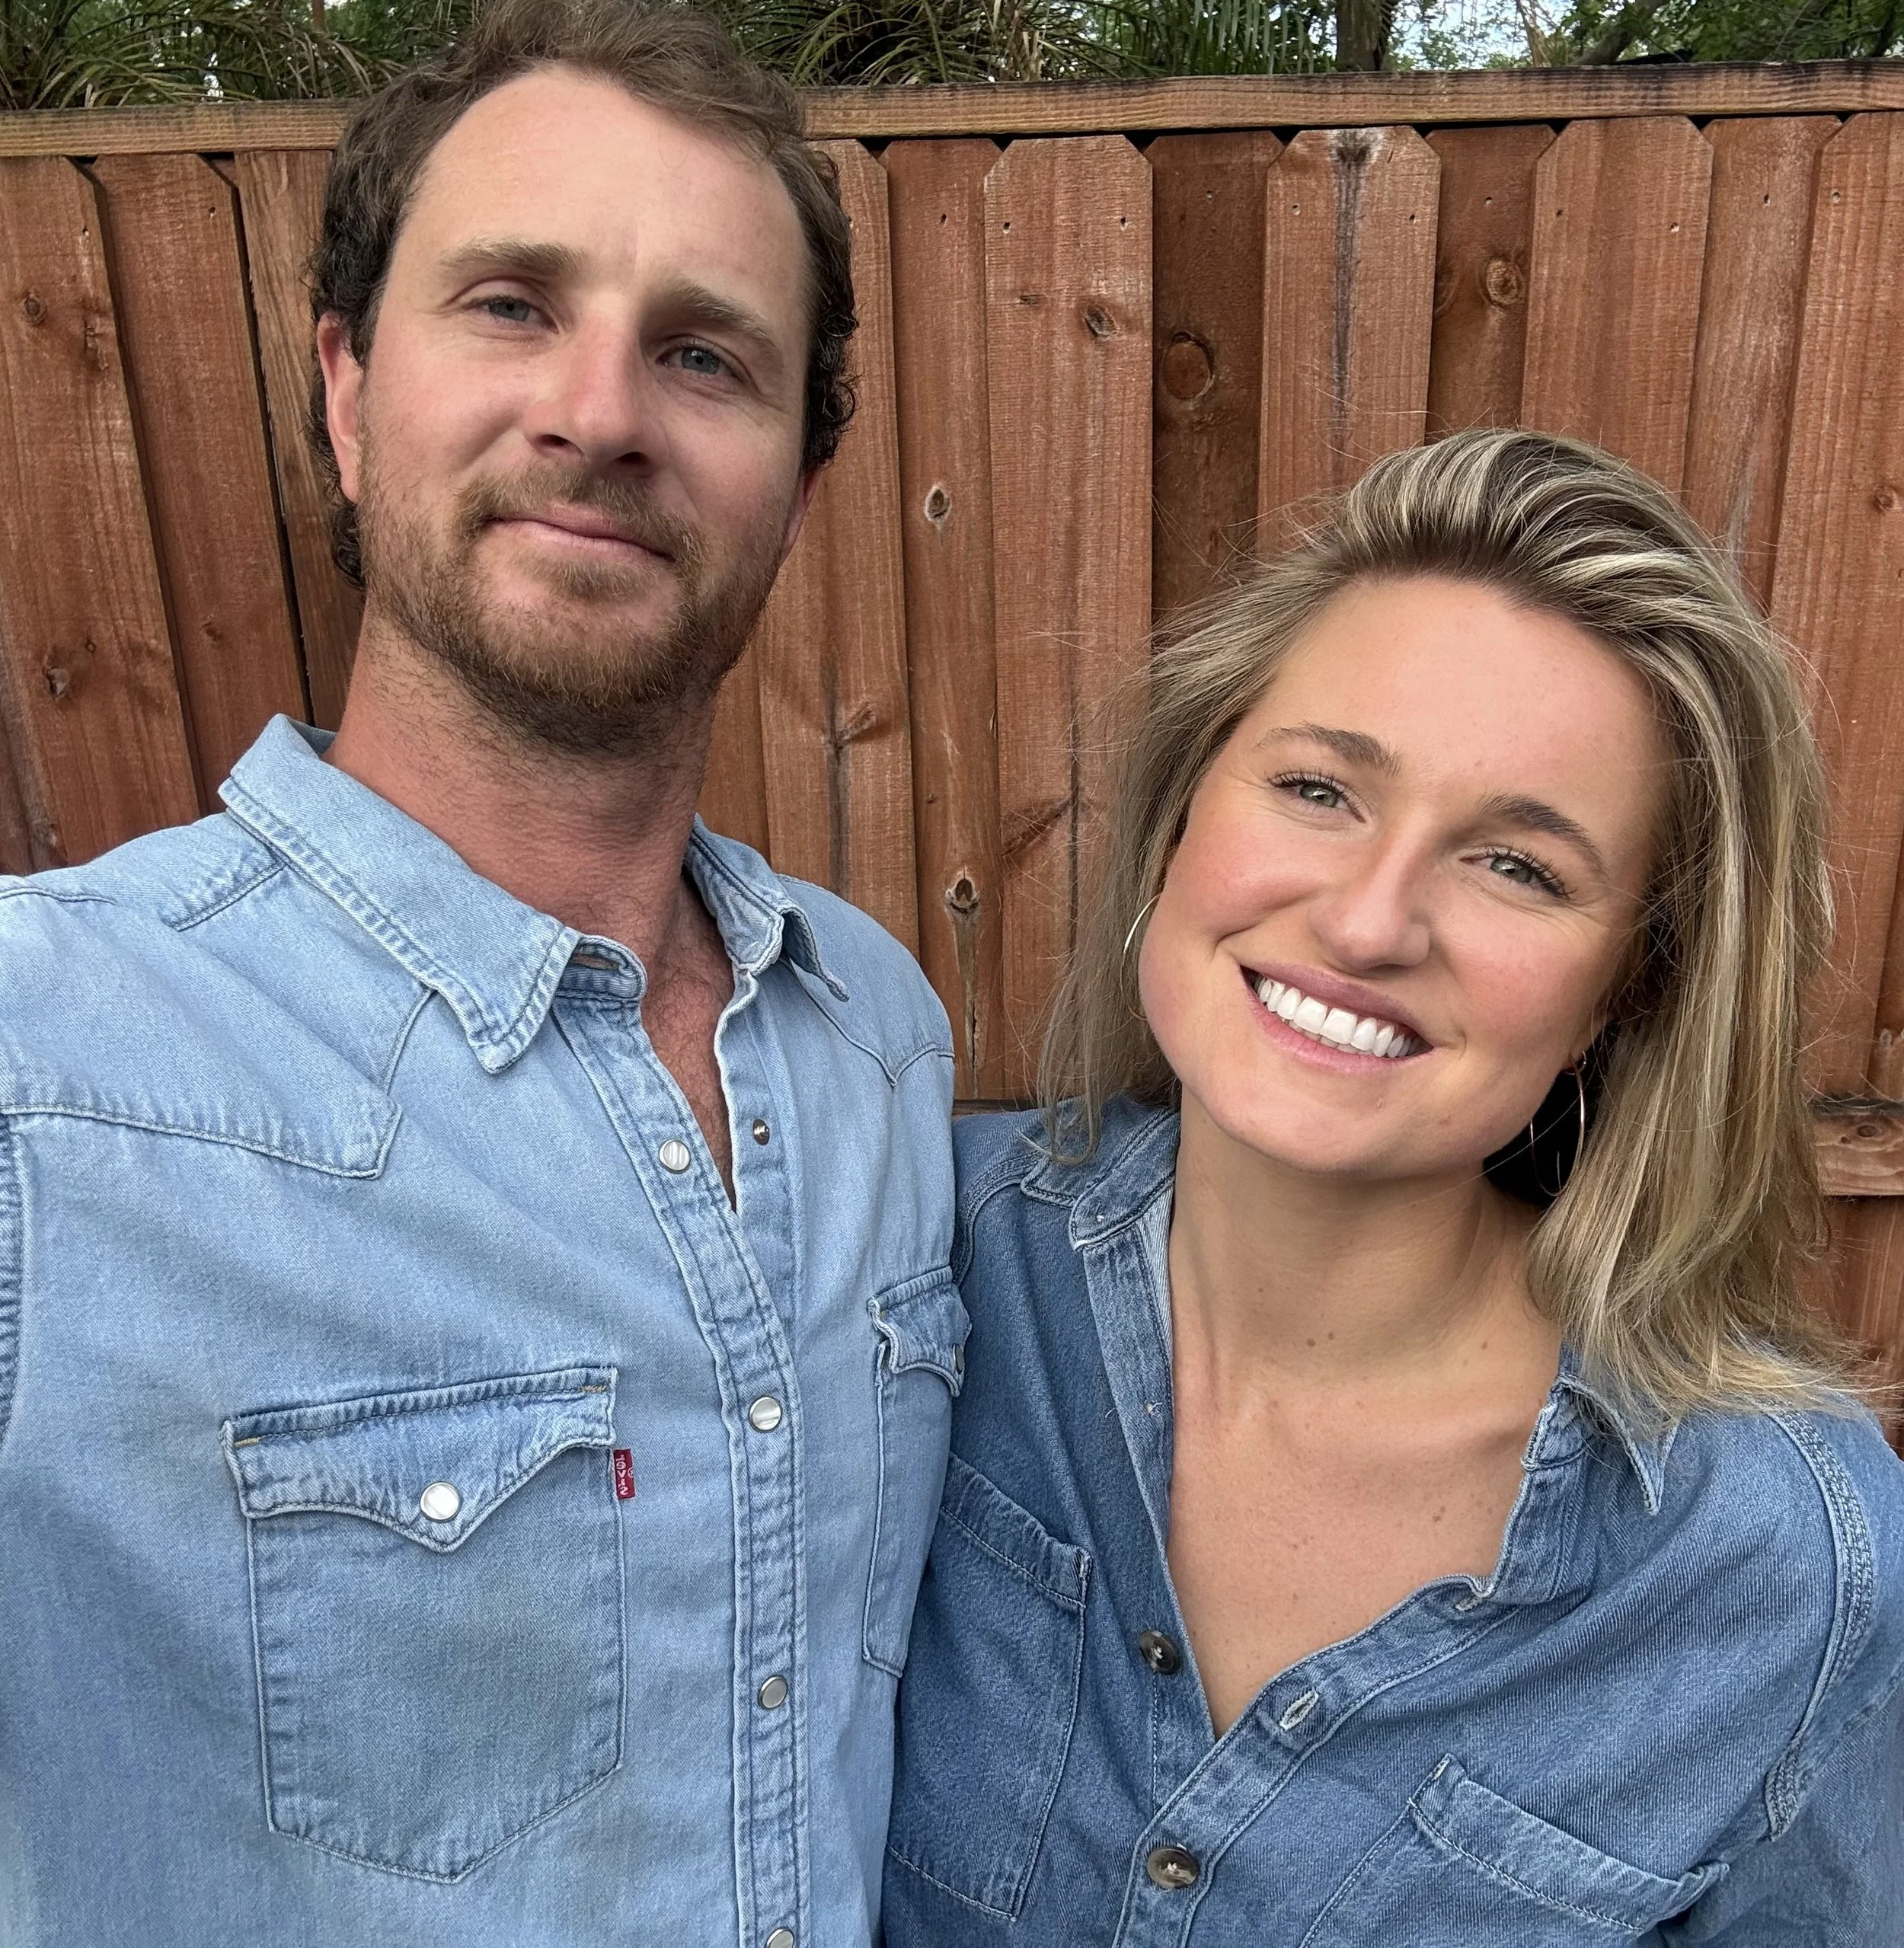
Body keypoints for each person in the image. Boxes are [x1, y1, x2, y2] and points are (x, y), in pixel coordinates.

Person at [0, 5, 964, 1943]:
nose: (599, 413)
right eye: (512, 305)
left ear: (797, 477)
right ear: (350, 390)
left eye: (704, 354)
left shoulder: (873, 1032)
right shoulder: (46, 1070)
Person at [882, 430, 1904, 1945]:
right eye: (1317, 786)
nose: (1367, 922)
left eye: (1518, 867)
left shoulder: (1777, 1562)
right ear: (1183, 812)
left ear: (1630, 989)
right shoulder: (909, 1265)